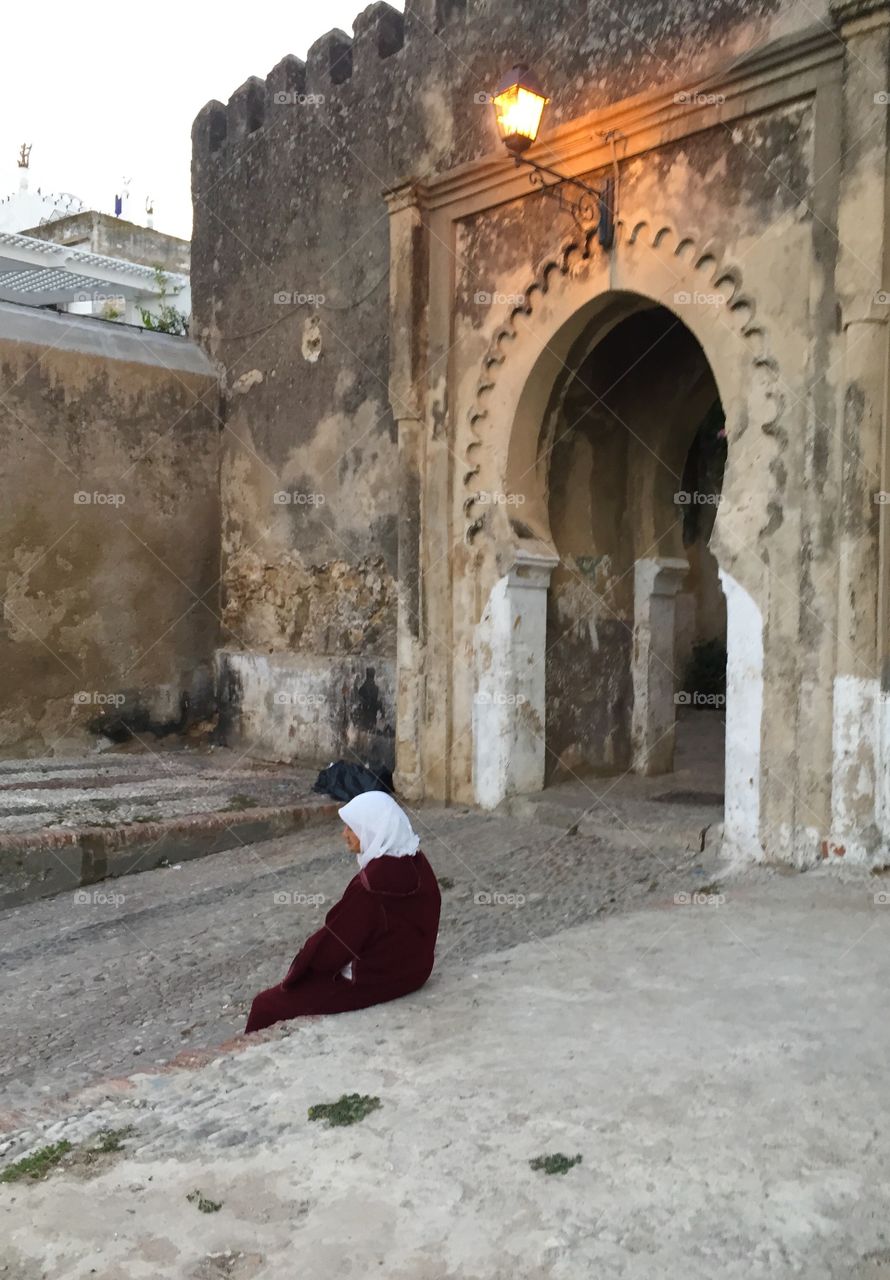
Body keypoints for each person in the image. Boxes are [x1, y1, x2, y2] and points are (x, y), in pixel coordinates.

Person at [245, 791, 442, 1033]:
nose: (344, 834)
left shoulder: (373, 885)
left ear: (371, 830)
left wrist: (299, 969)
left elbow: (334, 947)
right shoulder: (416, 861)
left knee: (265, 1005)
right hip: (416, 971)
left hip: (376, 980)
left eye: (351, 827)